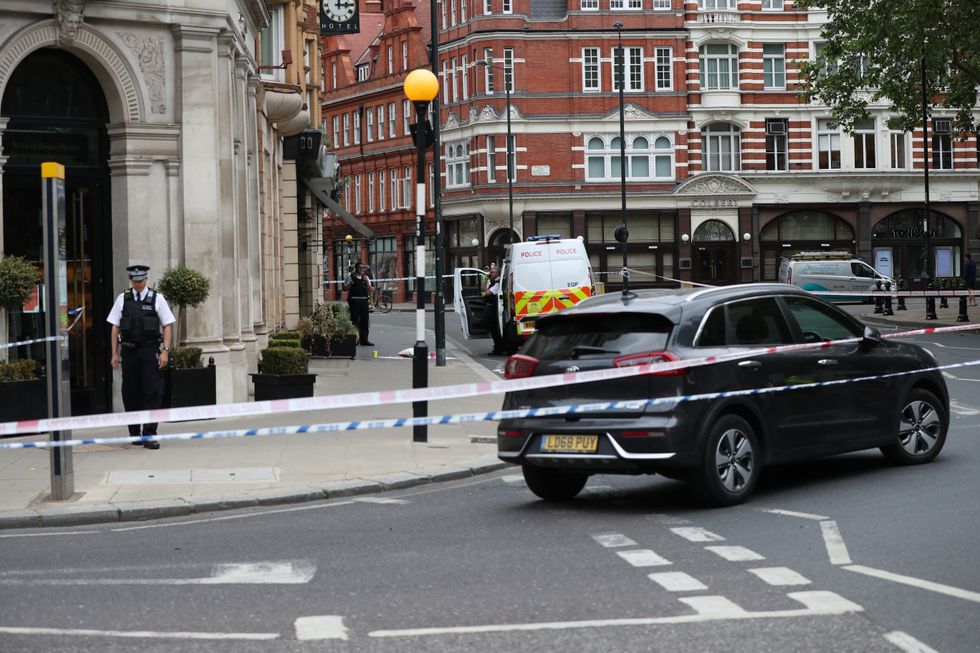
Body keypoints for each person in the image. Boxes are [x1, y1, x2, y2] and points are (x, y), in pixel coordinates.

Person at [105, 264, 176, 449]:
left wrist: (165, 350)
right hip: (129, 352)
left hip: (149, 351)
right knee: (130, 392)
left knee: (153, 391)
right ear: (131, 280)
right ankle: (134, 432)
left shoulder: (157, 298)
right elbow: (115, 327)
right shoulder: (123, 299)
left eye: (141, 281)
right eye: (134, 281)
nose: (137, 284)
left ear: (146, 279)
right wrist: (114, 353)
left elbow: (167, 324)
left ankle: (150, 434)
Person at [344, 261, 374, 346]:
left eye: (363, 268)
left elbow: (370, 289)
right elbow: (344, 288)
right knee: (355, 321)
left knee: (365, 321)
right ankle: (355, 340)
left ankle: (364, 340)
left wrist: (367, 282)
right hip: (354, 301)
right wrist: (350, 284)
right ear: (356, 269)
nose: (362, 269)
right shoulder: (351, 277)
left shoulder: (365, 277)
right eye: (360, 268)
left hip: (364, 301)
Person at [482, 265, 504, 355]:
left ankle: (498, 348)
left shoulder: (498, 283)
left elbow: (487, 293)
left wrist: (486, 288)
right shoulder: (492, 281)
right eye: (490, 272)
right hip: (490, 308)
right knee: (492, 328)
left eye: (492, 272)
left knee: (495, 330)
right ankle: (498, 347)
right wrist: (485, 279)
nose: (490, 273)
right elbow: (483, 289)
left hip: (494, 310)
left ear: (498, 273)